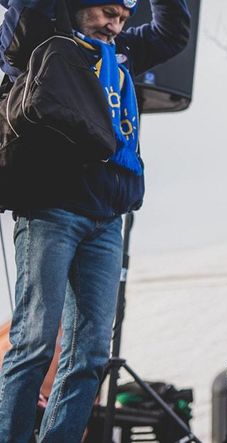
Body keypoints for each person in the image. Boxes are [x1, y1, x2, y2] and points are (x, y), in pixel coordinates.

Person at [0, 0, 190, 441]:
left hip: (107, 217)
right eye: (107, 13)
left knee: (89, 355)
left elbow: (172, 33)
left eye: (123, 18)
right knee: (33, 343)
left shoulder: (122, 52)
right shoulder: (42, 39)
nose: (115, 24)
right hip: (52, 209)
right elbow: (13, 33)